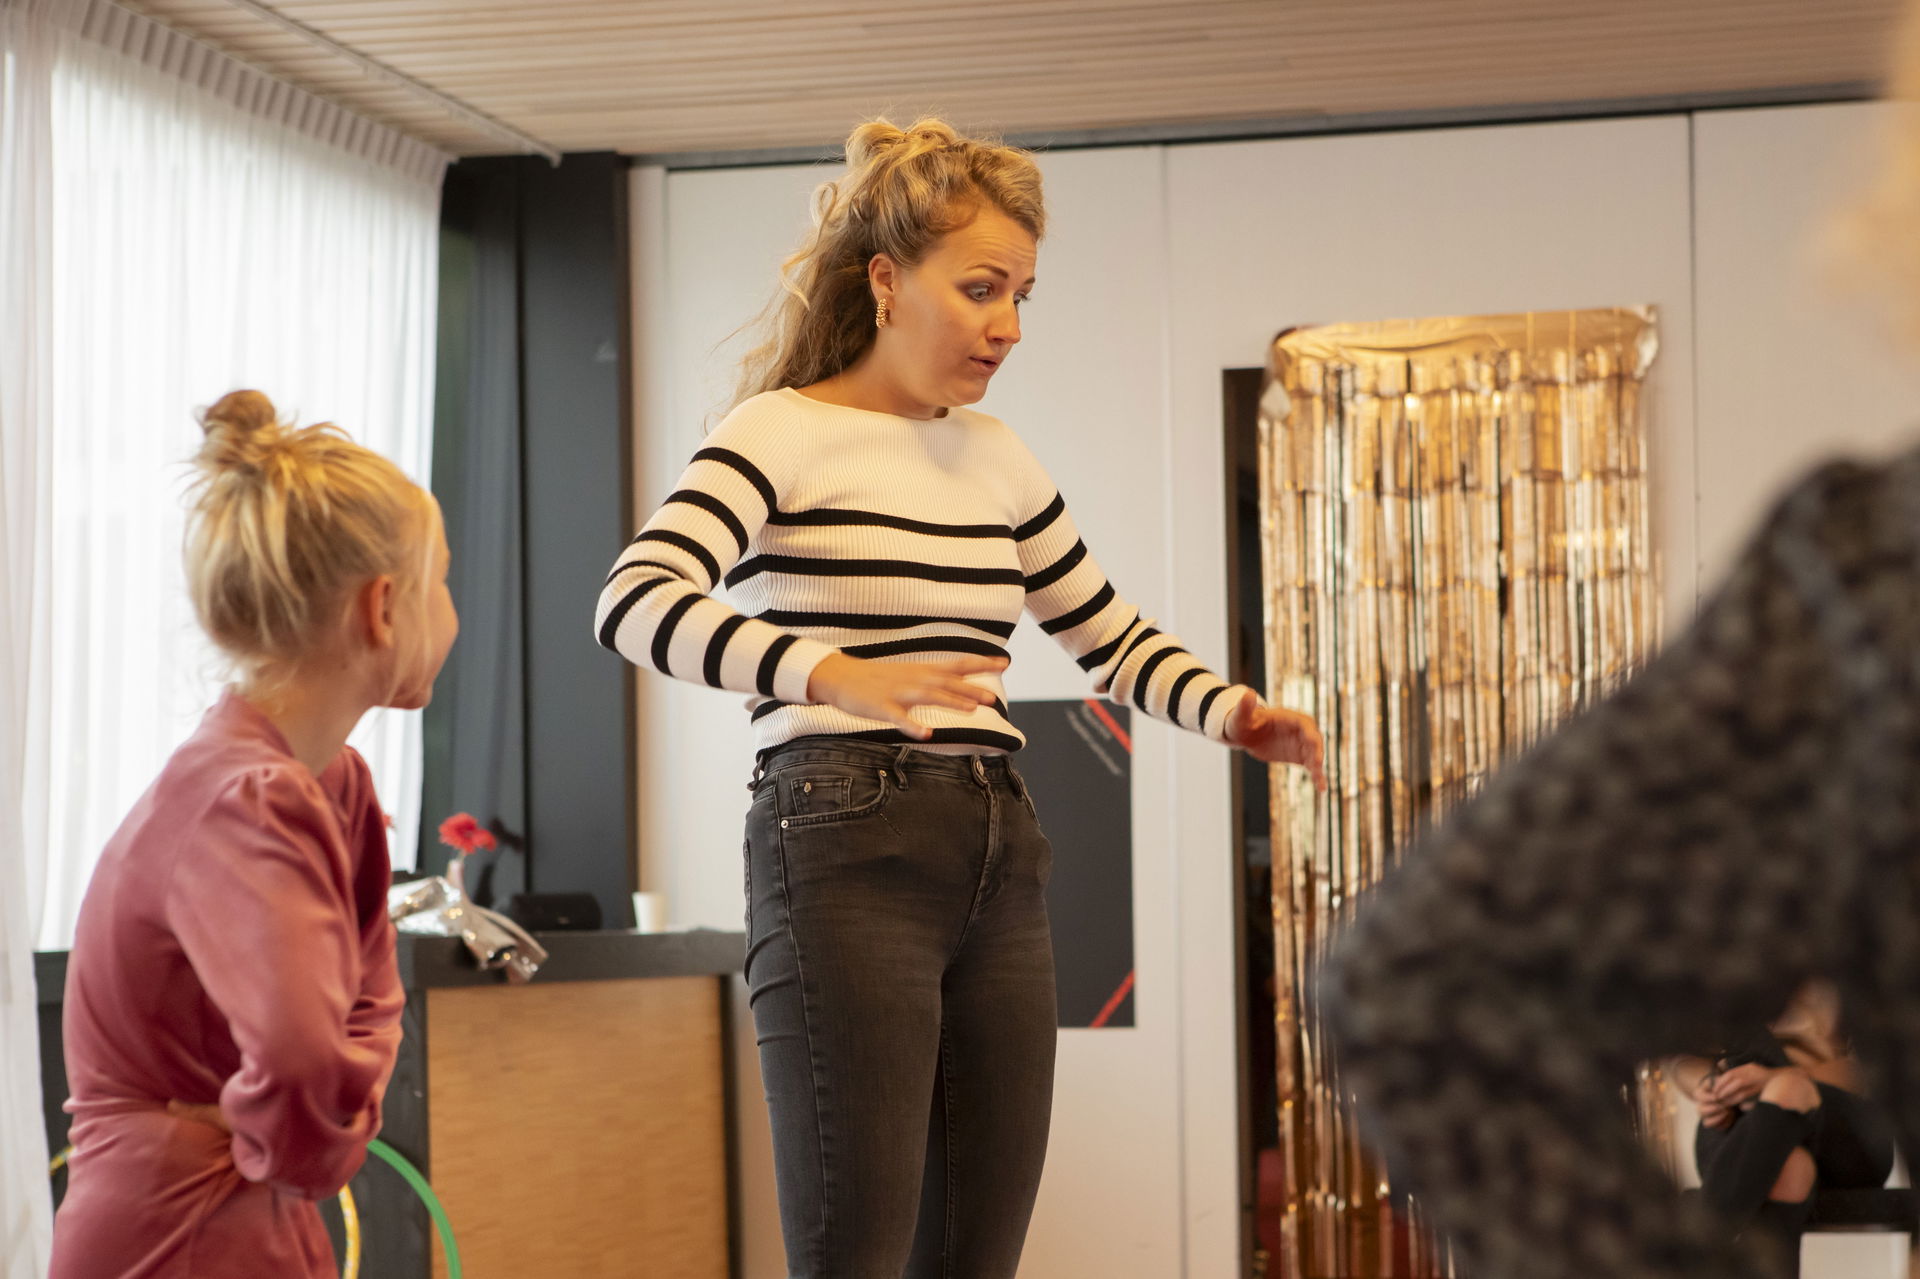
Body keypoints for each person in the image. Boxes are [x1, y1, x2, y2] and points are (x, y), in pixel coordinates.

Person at [594, 118, 1324, 1278]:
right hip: (839, 834)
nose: (1007, 326)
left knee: (976, 1255)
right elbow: (635, 601)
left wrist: (1232, 711)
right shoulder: (777, 433)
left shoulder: (997, 456)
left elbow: (1110, 636)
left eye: (1022, 295)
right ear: (887, 281)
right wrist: (835, 674)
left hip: (997, 839)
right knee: (858, 1252)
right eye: (981, 288)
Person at [1319, 10, 1920, 1274]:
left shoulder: (1870, 572)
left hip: (1818, 1112)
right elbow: (1431, 991)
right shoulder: (1873, 576)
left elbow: (1424, 988)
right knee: (1768, 1136)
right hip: (1767, 1102)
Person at [49, 390, 458, 1279]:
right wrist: (308, 1139)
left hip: (247, 1202)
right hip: (178, 1227)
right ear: (384, 607)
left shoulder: (327, 780)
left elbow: (367, 998)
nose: (452, 614)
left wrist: (290, 1123)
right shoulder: (248, 796)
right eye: (443, 582)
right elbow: (308, 1058)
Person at [1668, 983, 1896, 1275]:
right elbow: (1681, 1062)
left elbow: (1867, 1067)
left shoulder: (1840, 958)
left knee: (1788, 1088)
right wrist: (1711, 1087)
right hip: (1738, 1120)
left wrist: (1781, 1078)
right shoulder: (1710, 967)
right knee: (1790, 1166)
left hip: (1840, 1127)